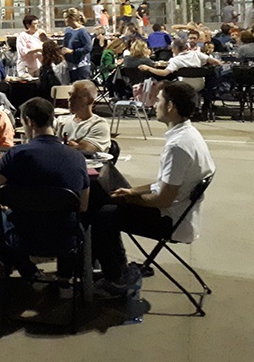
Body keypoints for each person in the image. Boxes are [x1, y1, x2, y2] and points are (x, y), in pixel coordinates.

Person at [89, 81, 215, 296]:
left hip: (170, 220)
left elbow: (163, 200)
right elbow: (166, 183)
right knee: (111, 201)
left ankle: (114, 279)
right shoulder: (189, 134)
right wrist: (133, 192)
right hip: (180, 212)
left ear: (170, 106)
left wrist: (127, 199)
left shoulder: (178, 146)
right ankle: (118, 268)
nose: (155, 105)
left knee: (102, 215)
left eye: (159, 100)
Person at [0, 97, 89, 280]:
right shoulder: (77, 157)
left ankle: (29, 273)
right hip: (64, 238)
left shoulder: (16, 154)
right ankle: (65, 277)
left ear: (29, 121)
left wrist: (6, 207)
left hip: (23, 237)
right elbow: (83, 205)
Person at [55, 80, 111, 154]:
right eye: (70, 95)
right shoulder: (61, 120)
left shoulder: (99, 125)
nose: (70, 99)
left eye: (76, 97)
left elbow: (85, 149)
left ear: (90, 100)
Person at [62, 8, 93, 82]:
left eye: (66, 18)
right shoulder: (68, 30)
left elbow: (88, 48)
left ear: (72, 18)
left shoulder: (82, 32)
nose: (64, 20)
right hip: (70, 64)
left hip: (81, 65)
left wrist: (72, 51)